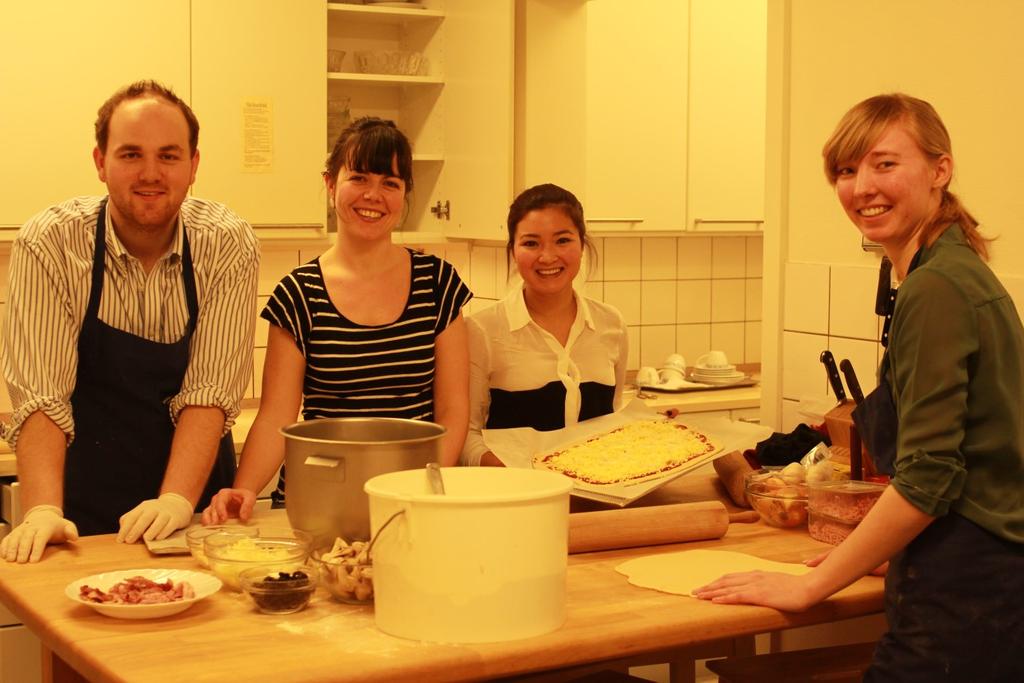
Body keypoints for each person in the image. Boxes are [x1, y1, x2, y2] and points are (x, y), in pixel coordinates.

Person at [694, 94, 1024, 681]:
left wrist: (813, 585)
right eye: (847, 171)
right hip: (976, 573)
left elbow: (930, 476)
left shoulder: (938, 289)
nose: (862, 186)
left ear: (940, 170)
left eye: (884, 163)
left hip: (966, 592)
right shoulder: (950, 272)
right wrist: (872, 553)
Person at [0, 80, 258, 563]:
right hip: (80, 516)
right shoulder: (51, 243)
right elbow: (41, 395)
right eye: (130, 154)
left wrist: (177, 499)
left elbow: (209, 389)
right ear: (100, 162)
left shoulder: (227, 243)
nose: (151, 173)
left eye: (169, 155)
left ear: (194, 165)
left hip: (195, 513)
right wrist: (42, 511)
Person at [203, 117, 471, 523]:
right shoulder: (298, 294)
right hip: (318, 498)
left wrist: (424, 488)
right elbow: (277, 415)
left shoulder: (438, 284)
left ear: (405, 195)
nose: (373, 195)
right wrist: (244, 488)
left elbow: (452, 408)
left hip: (411, 498)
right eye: (359, 177)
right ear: (331, 184)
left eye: (390, 183)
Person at [461, 183, 628, 467]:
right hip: (518, 500)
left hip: (600, 500)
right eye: (530, 243)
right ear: (513, 250)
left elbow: (613, 417)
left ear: (582, 244)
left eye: (562, 240)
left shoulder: (610, 323)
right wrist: (520, 474)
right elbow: (466, 437)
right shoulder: (482, 331)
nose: (547, 256)